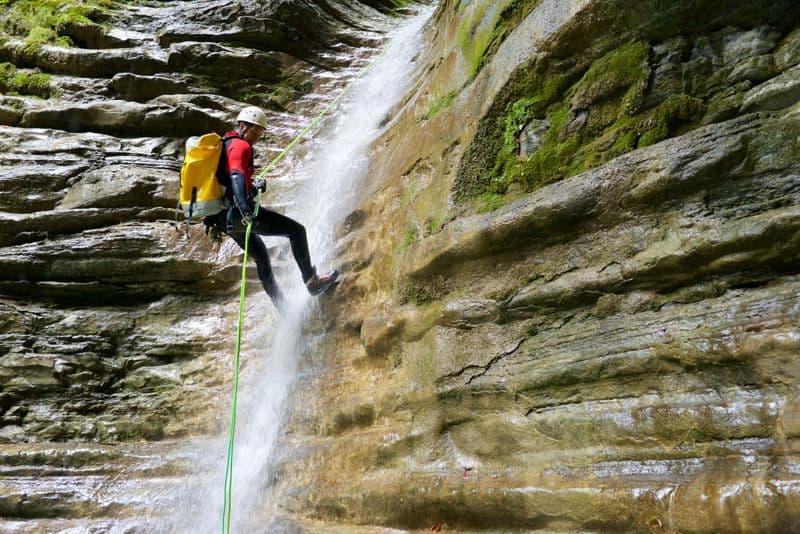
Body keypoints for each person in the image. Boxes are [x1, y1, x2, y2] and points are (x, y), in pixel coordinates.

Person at [205, 106, 337, 311]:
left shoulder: (226, 145)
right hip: (239, 215)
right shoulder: (241, 146)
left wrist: (254, 187)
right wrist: (247, 211)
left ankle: (282, 308)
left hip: (224, 220)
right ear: (242, 125)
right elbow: (236, 177)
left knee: (261, 256)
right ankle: (312, 281)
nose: (257, 135)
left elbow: (231, 182)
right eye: (254, 130)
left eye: (260, 132)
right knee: (296, 231)